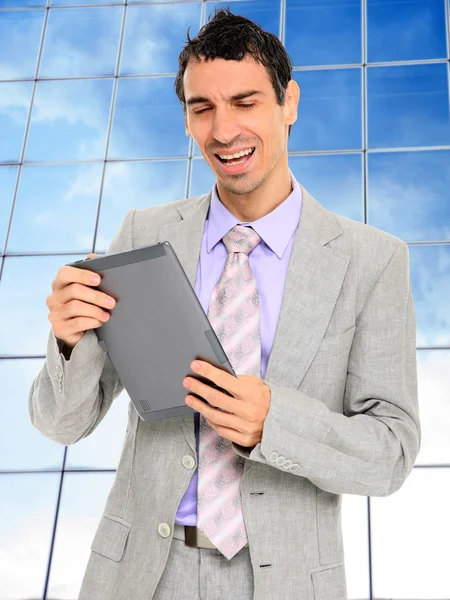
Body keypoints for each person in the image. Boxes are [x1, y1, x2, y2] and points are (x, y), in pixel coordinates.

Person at [29, 8, 420, 600]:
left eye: (245, 102)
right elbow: (62, 423)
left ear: (288, 103)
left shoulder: (372, 261)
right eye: (201, 108)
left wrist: (276, 424)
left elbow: (390, 453)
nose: (223, 130)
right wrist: (67, 340)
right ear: (186, 120)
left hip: (287, 581)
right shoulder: (142, 235)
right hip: (140, 577)